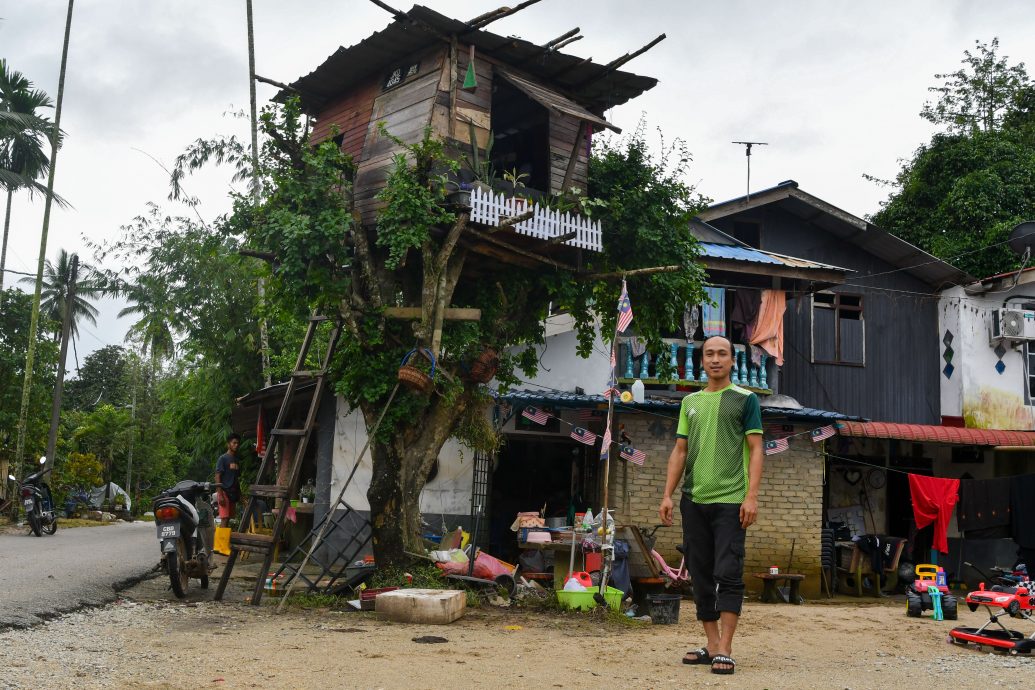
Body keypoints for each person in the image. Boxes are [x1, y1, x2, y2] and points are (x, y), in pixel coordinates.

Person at [658, 336, 764, 676]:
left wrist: (752, 496)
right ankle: (713, 644)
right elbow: (680, 451)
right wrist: (667, 494)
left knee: (728, 572)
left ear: (733, 360)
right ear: (701, 361)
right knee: (700, 574)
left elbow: (757, 449)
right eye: (709, 354)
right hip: (694, 500)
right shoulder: (689, 401)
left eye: (722, 354)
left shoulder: (746, 400)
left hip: (731, 501)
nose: (715, 359)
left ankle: (726, 648)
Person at [215, 433, 242, 526]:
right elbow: (217, 476)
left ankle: (225, 540)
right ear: (228, 444)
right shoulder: (222, 458)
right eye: (234, 443)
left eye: (237, 443)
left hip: (233, 493)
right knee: (224, 519)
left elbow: (236, 478)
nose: (236, 445)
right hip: (224, 492)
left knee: (229, 518)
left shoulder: (236, 460)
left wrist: (240, 494)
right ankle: (220, 541)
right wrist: (220, 494)